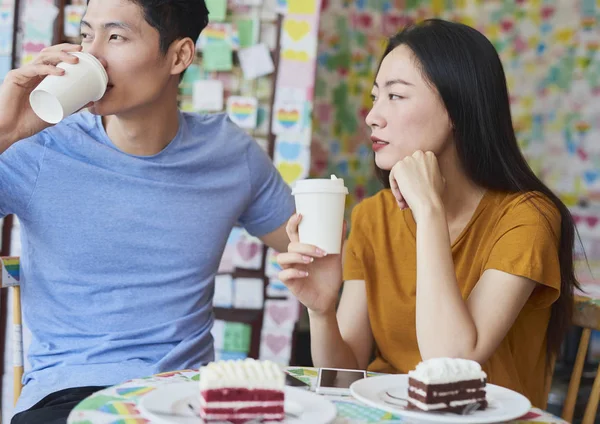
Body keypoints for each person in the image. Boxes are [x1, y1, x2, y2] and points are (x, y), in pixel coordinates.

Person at [0, 0, 295, 422]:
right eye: (86, 35)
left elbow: (315, 249)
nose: (91, 55)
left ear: (178, 56)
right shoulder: (38, 149)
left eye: (115, 36)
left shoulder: (230, 154)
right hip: (67, 396)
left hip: (184, 397)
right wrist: (3, 132)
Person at [277, 19, 579, 409]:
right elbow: (344, 375)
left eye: (396, 96)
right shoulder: (373, 217)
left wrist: (429, 212)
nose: (372, 115)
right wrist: (320, 312)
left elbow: (450, 362)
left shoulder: (528, 219)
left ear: (458, 109)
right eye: (375, 96)